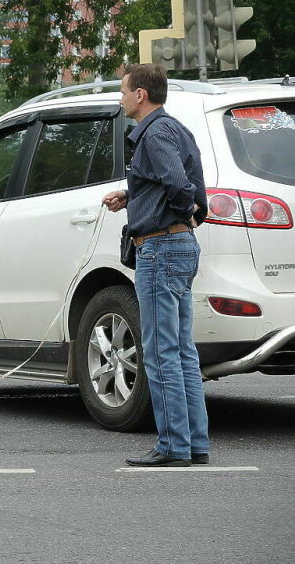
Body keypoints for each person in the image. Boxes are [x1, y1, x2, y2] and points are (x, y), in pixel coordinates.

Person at [101, 64, 210, 467]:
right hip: (178, 245)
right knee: (181, 351)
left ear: (141, 95)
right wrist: (131, 196)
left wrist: (180, 212)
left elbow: (179, 186)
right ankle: (194, 443)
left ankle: (172, 446)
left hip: (162, 249)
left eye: (124, 90)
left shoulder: (155, 133)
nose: (121, 98)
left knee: (161, 352)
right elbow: (188, 187)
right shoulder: (176, 129)